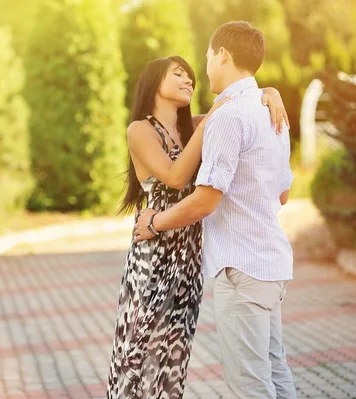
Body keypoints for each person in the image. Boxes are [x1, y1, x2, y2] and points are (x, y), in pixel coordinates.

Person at [107, 53, 289, 398]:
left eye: (191, 76)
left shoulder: (196, 125)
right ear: (154, 82)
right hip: (154, 255)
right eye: (178, 74)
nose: (189, 80)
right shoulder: (141, 130)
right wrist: (207, 126)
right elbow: (176, 178)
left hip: (189, 257)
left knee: (173, 357)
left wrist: (271, 92)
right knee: (140, 351)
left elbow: (244, 100)